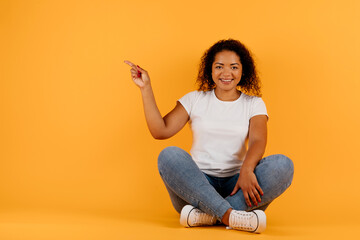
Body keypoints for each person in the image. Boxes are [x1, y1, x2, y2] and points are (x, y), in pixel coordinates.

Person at [124, 39, 294, 233]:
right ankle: (231, 216)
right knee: (168, 155)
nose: (226, 73)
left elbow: (258, 140)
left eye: (234, 67)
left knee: (283, 165)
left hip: (238, 185)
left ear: (243, 71)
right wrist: (145, 88)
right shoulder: (195, 99)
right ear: (210, 70)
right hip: (197, 186)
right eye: (219, 66)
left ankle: (207, 216)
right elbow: (160, 131)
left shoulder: (253, 103)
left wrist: (247, 171)